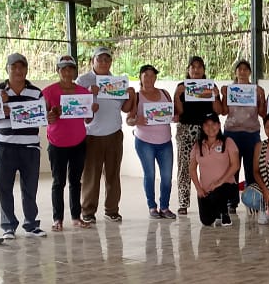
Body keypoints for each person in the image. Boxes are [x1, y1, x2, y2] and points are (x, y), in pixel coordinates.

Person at [75, 47, 130, 223]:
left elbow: (125, 107)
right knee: (91, 175)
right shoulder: (83, 80)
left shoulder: (117, 82)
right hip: (91, 135)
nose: (104, 63)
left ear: (111, 62)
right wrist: (88, 93)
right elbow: (74, 104)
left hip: (114, 134)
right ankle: (88, 211)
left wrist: (130, 95)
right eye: (100, 59)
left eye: (107, 59)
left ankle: (112, 210)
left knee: (113, 174)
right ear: (93, 61)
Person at [0, 53, 45, 238]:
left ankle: (31, 224)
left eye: (21, 67)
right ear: (6, 69)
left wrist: (49, 116)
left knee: (30, 188)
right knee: (4, 187)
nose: (18, 70)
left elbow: (43, 119)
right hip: (4, 146)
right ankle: (8, 226)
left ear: (26, 69)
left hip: (30, 148)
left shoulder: (36, 93)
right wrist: (0, 107)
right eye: (13, 67)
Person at [43, 55, 91, 231]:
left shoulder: (83, 92)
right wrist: (49, 116)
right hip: (57, 143)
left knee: (76, 181)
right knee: (58, 182)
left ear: (75, 71)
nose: (67, 72)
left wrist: (92, 110)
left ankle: (76, 217)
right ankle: (58, 219)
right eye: (63, 68)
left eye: (71, 68)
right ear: (58, 70)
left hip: (79, 142)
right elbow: (41, 116)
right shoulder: (48, 92)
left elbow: (88, 119)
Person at [173, 55, 222, 215]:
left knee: (210, 166)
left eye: (199, 67)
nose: (196, 70)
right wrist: (177, 96)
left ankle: (211, 198)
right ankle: (183, 203)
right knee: (184, 167)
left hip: (207, 131)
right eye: (193, 67)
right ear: (188, 70)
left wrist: (215, 95)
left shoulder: (210, 86)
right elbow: (179, 113)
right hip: (185, 130)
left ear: (204, 70)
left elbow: (218, 111)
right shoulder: (181, 87)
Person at [128, 64, 176, 219]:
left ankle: (165, 207)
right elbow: (129, 120)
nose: (149, 78)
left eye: (152, 75)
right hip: (144, 142)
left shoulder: (165, 93)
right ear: (140, 77)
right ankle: (152, 207)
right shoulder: (137, 96)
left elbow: (173, 114)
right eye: (146, 75)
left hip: (165, 142)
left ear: (156, 77)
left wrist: (174, 117)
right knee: (150, 174)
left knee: (167, 177)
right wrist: (137, 120)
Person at [219, 59, 266, 212]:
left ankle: (252, 201)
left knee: (252, 169)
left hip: (251, 133)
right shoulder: (230, 89)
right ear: (235, 72)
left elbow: (262, 113)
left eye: (246, 69)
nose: (243, 72)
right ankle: (231, 202)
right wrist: (224, 95)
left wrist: (262, 97)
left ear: (250, 72)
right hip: (232, 133)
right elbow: (223, 111)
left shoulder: (255, 90)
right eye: (240, 69)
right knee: (232, 169)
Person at [189, 113, 240, 227]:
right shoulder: (197, 145)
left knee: (218, 192)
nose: (210, 127)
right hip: (206, 190)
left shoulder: (228, 142)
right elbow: (192, 169)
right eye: (207, 124)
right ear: (202, 127)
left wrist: (219, 182)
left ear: (219, 125)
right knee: (206, 221)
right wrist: (198, 189)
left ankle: (224, 213)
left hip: (226, 186)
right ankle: (217, 211)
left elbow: (235, 165)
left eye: (214, 124)